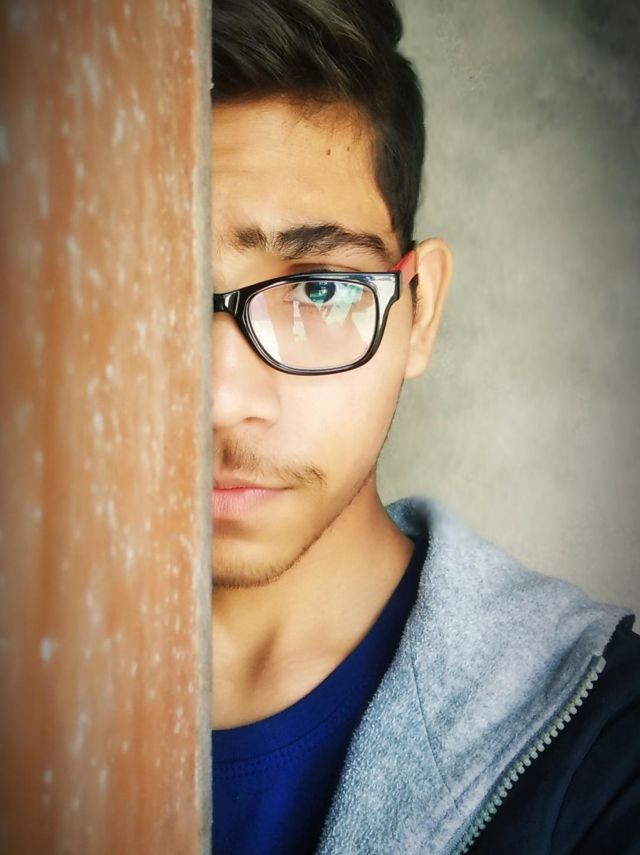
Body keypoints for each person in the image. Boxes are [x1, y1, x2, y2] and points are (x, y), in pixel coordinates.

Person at [210, 1, 640, 852]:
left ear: (421, 310)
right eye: (145, 290)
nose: (221, 398)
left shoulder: (609, 749)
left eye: (319, 288)